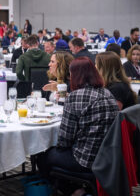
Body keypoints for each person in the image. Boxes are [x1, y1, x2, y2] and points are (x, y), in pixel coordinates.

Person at [37, 57, 119, 196]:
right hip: (109, 156)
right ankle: (82, 187)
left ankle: (74, 191)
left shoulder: (75, 96)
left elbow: (64, 141)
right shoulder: (107, 93)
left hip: (86, 159)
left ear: (75, 75)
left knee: (42, 157)